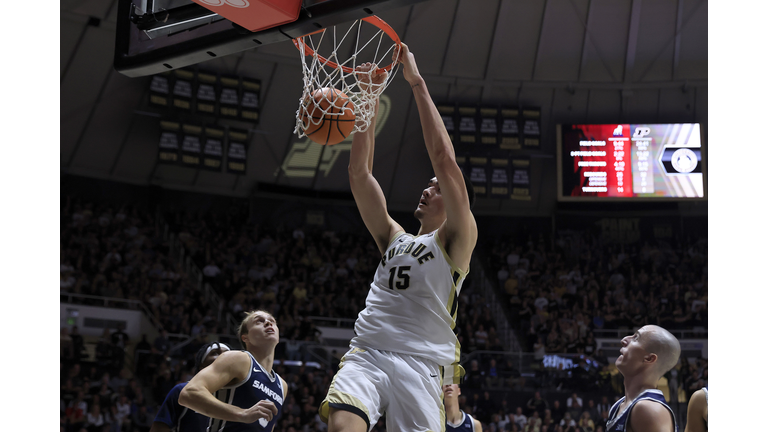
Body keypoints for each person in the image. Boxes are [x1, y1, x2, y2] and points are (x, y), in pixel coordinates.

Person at [318, 42, 478, 432]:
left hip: (422, 366)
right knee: (343, 426)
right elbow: (360, 173)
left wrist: (416, 82)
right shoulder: (394, 237)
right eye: (426, 185)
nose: (427, 190)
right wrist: (369, 96)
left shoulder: (458, 239)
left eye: (436, 188)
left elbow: (443, 157)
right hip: (368, 353)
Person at [179, 311, 287, 431]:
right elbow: (189, 393)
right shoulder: (238, 359)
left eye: (272, 321)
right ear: (245, 338)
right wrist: (242, 414)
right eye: (259, 321)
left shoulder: (282, 385)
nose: (268, 322)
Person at [606, 325, 681, 432]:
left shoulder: (648, 409)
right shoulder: (619, 406)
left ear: (649, 359)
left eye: (636, 338)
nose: (624, 340)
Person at [150, 342, 231, 432]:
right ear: (202, 365)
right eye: (215, 353)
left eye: (226, 353)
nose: (223, 356)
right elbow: (157, 429)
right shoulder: (182, 390)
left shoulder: (237, 397)